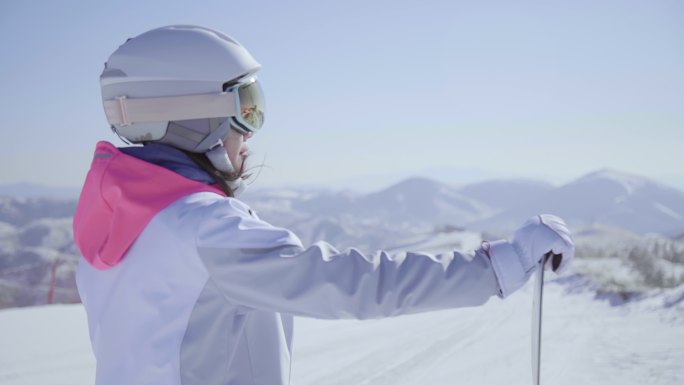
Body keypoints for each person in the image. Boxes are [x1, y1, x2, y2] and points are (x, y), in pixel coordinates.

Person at [74, 25, 575, 385]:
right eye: (246, 108)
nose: (251, 132)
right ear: (194, 116)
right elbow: (355, 282)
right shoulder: (205, 231)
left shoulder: (115, 215)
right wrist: (500, 264)